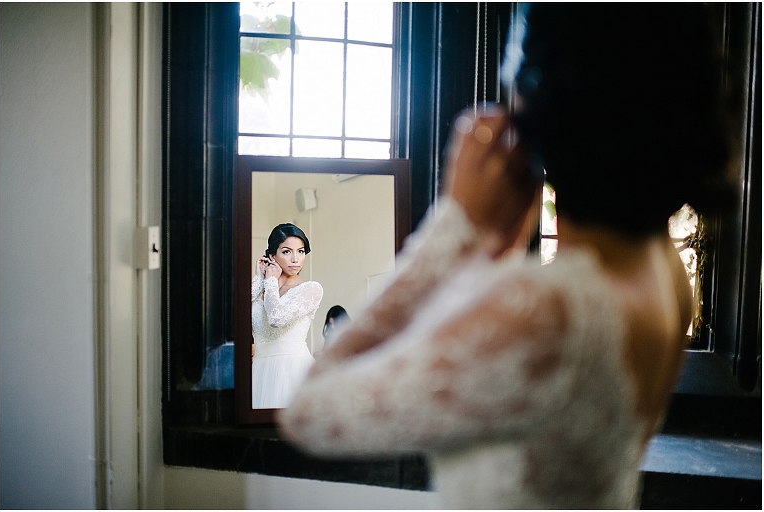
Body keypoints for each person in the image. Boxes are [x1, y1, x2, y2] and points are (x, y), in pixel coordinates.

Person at [278, 4, 732, 508]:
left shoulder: (552, 311)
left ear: (540, 100)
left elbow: (306, 412)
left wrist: (451, 228)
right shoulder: (663, 269)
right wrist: (494, 253)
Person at [251, 223, 323, 409]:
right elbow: (237, 317)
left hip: (293, 369)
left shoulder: (311, 289)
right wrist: (259, 278)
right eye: (286, 251)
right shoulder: (261, 287)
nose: (295, 259)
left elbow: (276, 319)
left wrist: (270, 281)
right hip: (259, 370)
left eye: (300, 251)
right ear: (272, 256)